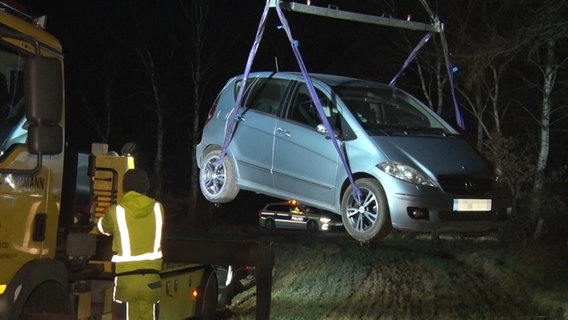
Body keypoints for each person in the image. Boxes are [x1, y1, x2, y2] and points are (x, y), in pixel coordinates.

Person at [97, 168, 164, 320]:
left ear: (125, 187)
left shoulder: (116, 211)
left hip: (127, 281)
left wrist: (105, 213)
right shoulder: (158, 209)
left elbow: (102, 228)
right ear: (146, 187)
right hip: (151, 281)